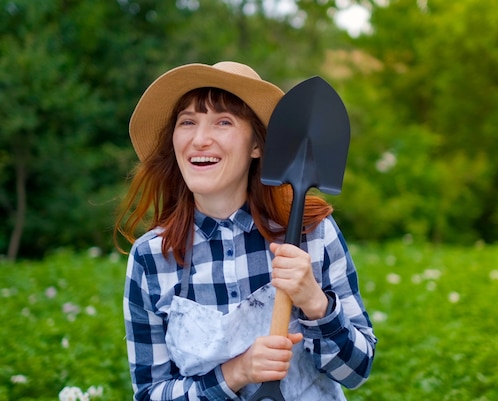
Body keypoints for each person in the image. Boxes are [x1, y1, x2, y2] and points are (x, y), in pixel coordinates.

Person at [115, 61, 376, 401]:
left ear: (256, 146)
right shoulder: (153, 258)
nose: (200, 139)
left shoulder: (312, 234)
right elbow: (150, 393)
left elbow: (356, 372)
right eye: (188, 122)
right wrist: (237, 372)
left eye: (223, 122)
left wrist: (314, 301)